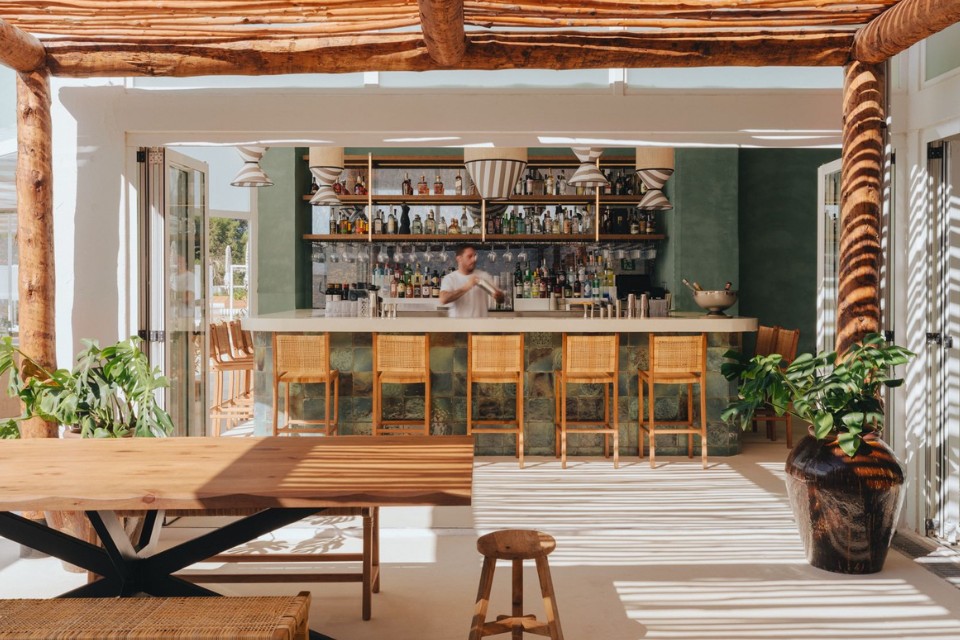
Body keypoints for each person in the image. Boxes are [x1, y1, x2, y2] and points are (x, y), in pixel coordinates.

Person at [439, 244, 505, 318]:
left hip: (481, 328)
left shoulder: (484, 276)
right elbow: (443, 299)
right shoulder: (450, 278)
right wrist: (467, 286)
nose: (474, 259)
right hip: (458, 328)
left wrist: (499, 296)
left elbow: (501, 300)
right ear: (459, 259)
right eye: (469, 256)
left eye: (474, 256)